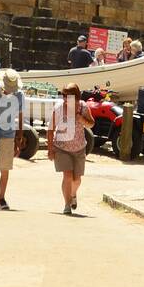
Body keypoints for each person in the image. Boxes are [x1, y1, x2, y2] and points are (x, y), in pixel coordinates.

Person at [48, 83, 93, 215]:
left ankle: (73, 194)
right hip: (61, 148)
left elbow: (91, 123)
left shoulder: (83, 107)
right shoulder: (58, 108)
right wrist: (50, 149)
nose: (65, 99)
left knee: (77, 179)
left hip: (79, 148)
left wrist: (82, 119)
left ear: (76, 97)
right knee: (67, 175)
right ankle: (67, 204)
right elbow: (50, 130)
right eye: (64, 95)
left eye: (69, 96)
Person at [0, 68, 26, 211]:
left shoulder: (19, 95)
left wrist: (20, 136)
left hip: (8, 134)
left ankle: (2, 197)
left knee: (5, 168)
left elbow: (20, 117)